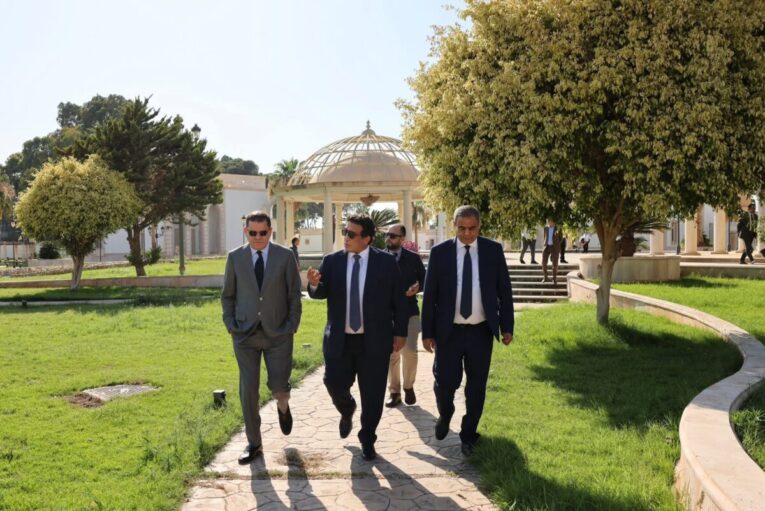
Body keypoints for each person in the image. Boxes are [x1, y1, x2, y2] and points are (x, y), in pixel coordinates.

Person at [307, 214, 408, 461]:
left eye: (352, 234)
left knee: (373, 395)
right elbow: (320, 292)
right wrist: (314, 284)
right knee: (333, 383)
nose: (346, 237)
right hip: (339, 340)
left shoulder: (385, 263)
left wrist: (400, 332)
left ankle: (367, 438)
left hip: (374, 340)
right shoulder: (332, 261)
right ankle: (347, 408)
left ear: (367, 239)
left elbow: (399, 300)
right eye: (345, 232)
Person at [421, 205, 514, 456]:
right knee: (445, 382)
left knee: (476, 386)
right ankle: (446, 412)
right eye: (462, 228)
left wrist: (507, 326)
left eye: (472, 228)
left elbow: (504, 291)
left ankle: (468, 435)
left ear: (479, 226)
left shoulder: (493, 251)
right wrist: (427, 332)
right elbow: (429, 296)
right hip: (448, 331)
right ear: (454, 226)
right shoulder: (440, 253)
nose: (467, 234)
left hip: (480, 332)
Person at [221, 211, 303, 464]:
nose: (258, 237)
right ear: (246, 231)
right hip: (244, 335)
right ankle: (254, 443)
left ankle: (283, 406)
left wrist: (291, 325)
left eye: (263, 232)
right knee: (248, 391)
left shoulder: (285, 256)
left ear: (270, 231)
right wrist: (231, 324)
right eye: (253, 233)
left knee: (279, 386)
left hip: (278, 334)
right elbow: (228, 295)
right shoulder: (235, 257)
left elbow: (294, 294)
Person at [383, 224, 426, 408]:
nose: (388, 238)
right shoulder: (380, 258)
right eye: (387, 235)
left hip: (410, 311)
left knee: (410, 351)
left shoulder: (413, 258)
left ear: (402, 239)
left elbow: (425, 280)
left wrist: (418, 287)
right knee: (392, 353)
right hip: (388, 314)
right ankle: (395, 392)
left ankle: (408, 387)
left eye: (393, 236)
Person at [542, 218, 562, 284]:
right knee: (544, 263)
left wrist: (556, 243)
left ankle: (554, 278)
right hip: (546, 246)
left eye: (551, 221)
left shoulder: (558, 229)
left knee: (555, 264)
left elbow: (561, 238)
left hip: (554, 247)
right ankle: (545, 277)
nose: (549, 223)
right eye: (548, 221)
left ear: (554, 222)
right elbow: (544, 237)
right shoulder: (545, 228)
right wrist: (545, 243)